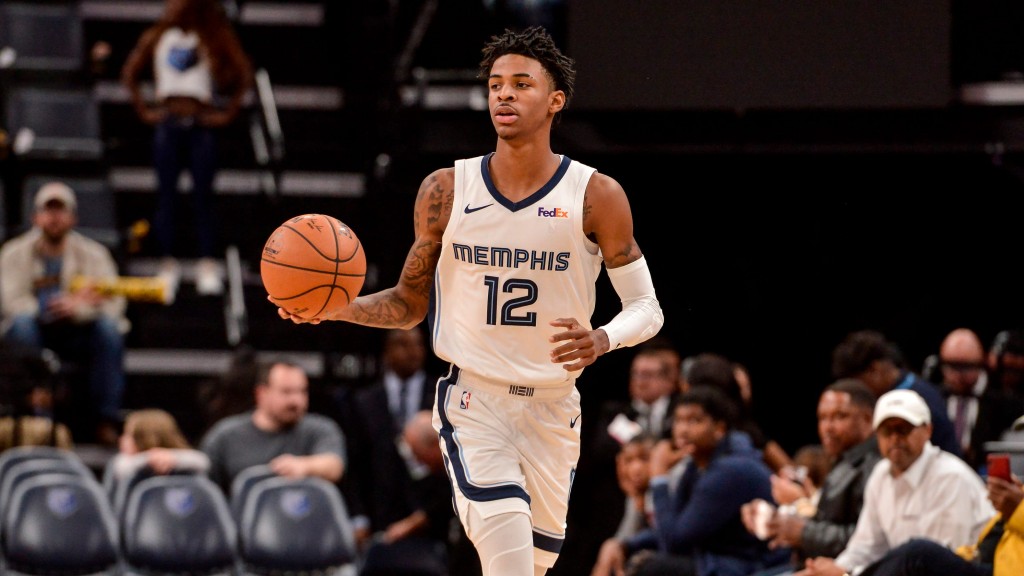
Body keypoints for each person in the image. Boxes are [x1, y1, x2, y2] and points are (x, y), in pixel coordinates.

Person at [274, 25, 664, 576]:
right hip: (474, 404)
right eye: (495, 85)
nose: (503, 94)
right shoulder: (447, 190)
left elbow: (648, 310)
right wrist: (337, 307)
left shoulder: (597, 195)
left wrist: (604, 338)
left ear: (556, 101)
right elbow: (410, 305)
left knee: (530, 567)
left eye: (521, 84)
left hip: (554, 410)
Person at [120, 0, 253, 296]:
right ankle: (168, 264)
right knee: (166, 197)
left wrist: (227, 113)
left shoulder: (214, 34)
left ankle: (207, 263)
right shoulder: (158, 35)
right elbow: (130, 71)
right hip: (168, 122)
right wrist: (143, 110)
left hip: (200, 124)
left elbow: (244, 73)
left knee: (203, 197)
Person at [795, 388, 995, 576]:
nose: (895, 439)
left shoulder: (950, 478)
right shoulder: (881, 474)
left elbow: (937, 563)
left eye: (903, 429)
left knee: (918, 553)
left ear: (927, 430)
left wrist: (848, 575)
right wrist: (837, 569)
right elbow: (866, 546)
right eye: (886, 431)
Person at [605, 386, 790, 576]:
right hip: (722, 559)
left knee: (648, 568)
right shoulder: (698, 464)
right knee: (632, 558)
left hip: (756, 566)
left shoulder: (730, 469)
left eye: (695, 420)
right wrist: (625, 544)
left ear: (719, 428)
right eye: (678, 420)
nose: (683, 430)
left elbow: (674, 543)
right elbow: (676, 524)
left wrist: (659, 477)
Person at [0, 181, 128, 445]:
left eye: (61, 211)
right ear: (35, 217)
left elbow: (115, 304)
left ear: (73, 218)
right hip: (34, 329)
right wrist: (50, 309)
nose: (54, 218)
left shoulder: (95, 255)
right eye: (48, 211)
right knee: (21, 325)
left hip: (79, 330)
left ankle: (105, 420)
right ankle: (35, 414)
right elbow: (10, 302)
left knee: (109, 330)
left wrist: (77, 308)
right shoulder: (13, 253)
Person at [742, 378, 882, 576]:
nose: (828, 427)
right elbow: (826, 521)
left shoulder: (875, 466)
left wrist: (802, 531)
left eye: (839, 416)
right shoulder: (844, 461)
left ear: (868, 419)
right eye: (822, 418)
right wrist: (775, 521)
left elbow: (866, 541)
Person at [335, 327, 440, 555]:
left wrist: (430, 514)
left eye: (418, 344)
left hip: (432, 517)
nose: (412, 352)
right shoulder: (363, 401)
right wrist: (359, 518)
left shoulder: (443, 395)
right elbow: (355, 464)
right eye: (403, 344)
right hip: (379, 515)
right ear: (387, 351)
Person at [198, 358, 346, 494]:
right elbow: (203, 483)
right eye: (286, 392)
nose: (296, 401)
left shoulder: (319, 428)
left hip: (303, 518)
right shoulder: (225, 435)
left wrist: (304, 466)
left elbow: (334, 465)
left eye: (302, 391)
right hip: (244, 521)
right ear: (261, 393)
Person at [830, 329, 962, 459]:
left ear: (874, 370)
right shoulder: (898, 389)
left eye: (858, 383)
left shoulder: (922, 400)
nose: (857, 392)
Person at [937, 328, 1022, 472]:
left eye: (964, 367)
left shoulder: (1003, 400)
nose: (957, 375)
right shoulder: (937, 396)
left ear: (980, 362)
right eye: (950, 366)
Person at [102, 408, 209, 497]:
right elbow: (123, 467)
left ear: (145, 439)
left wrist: (172, 458)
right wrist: (148, 459)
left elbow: (202, 461)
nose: (121, 439)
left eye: (127, 434)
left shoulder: (188, 468)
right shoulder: (119, 464)